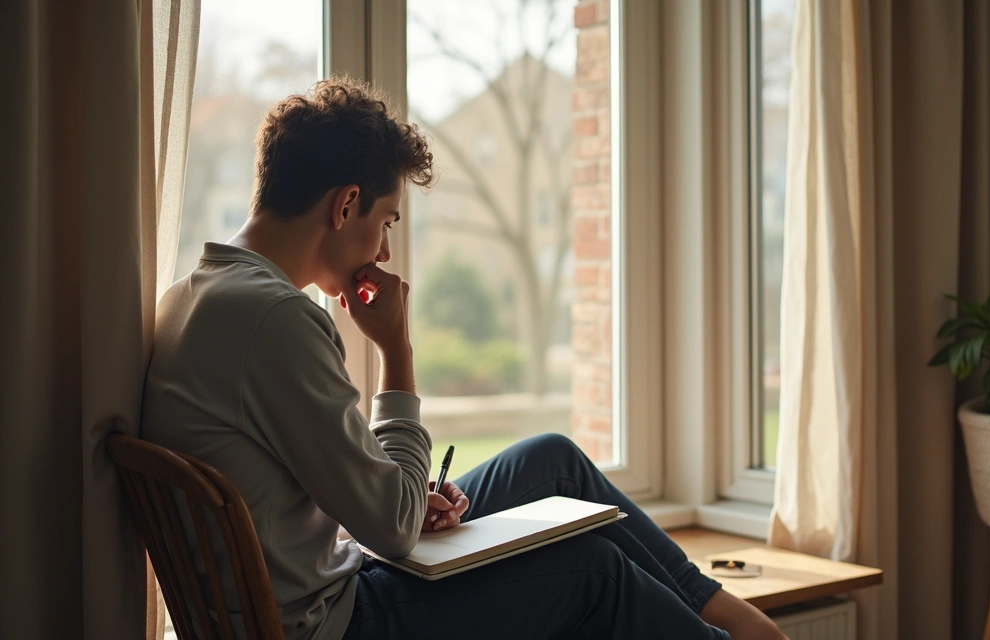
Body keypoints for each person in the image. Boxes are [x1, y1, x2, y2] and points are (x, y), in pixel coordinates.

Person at [141, 76, 786, 640]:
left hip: (324, 581)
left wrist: (398, 497)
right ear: (344, 205)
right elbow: (391, 530)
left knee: (551, 461)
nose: (384, 252)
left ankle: (733, 622)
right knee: (595, 573)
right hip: (338, 625)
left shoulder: (197, 293)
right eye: (387, 220)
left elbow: (319, 489)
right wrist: (396, 350)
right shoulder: (277, 319)